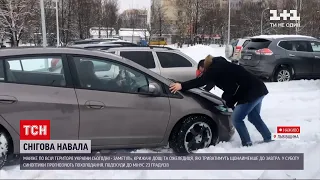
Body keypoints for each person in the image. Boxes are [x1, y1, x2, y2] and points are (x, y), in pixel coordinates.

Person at [169, 55, 272, 147]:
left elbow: (201, 81)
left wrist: (181, 85)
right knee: (254, 117)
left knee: (236, 119)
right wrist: (228, 102)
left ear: (206, 67)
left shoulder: (214, 69)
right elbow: (228, 87)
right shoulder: (220, 65)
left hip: (251, 93)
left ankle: (247, 144)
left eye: (202, 71)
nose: (202, 74)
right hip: (259, 88)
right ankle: (268, 138)